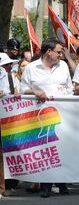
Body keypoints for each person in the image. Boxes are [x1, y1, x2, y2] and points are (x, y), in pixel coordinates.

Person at [20, 38, 73, 198]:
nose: (61, 54)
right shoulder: (30, 68)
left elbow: (69, 88)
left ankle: (62, 183)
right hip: (40, 116)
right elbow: (23, 89)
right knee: (46, 149)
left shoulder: (63, 66)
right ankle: (46, 185)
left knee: (61, 149)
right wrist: (35, 92)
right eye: (58, 51)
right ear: (48, 52)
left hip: (62, 114)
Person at [0, 53, 19, 199]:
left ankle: (4, 186)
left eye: (9, 64)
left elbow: (17, 94)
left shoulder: (12, 78)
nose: (8, 67)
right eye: (5, 65)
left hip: (7, 119)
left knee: (5, 153)